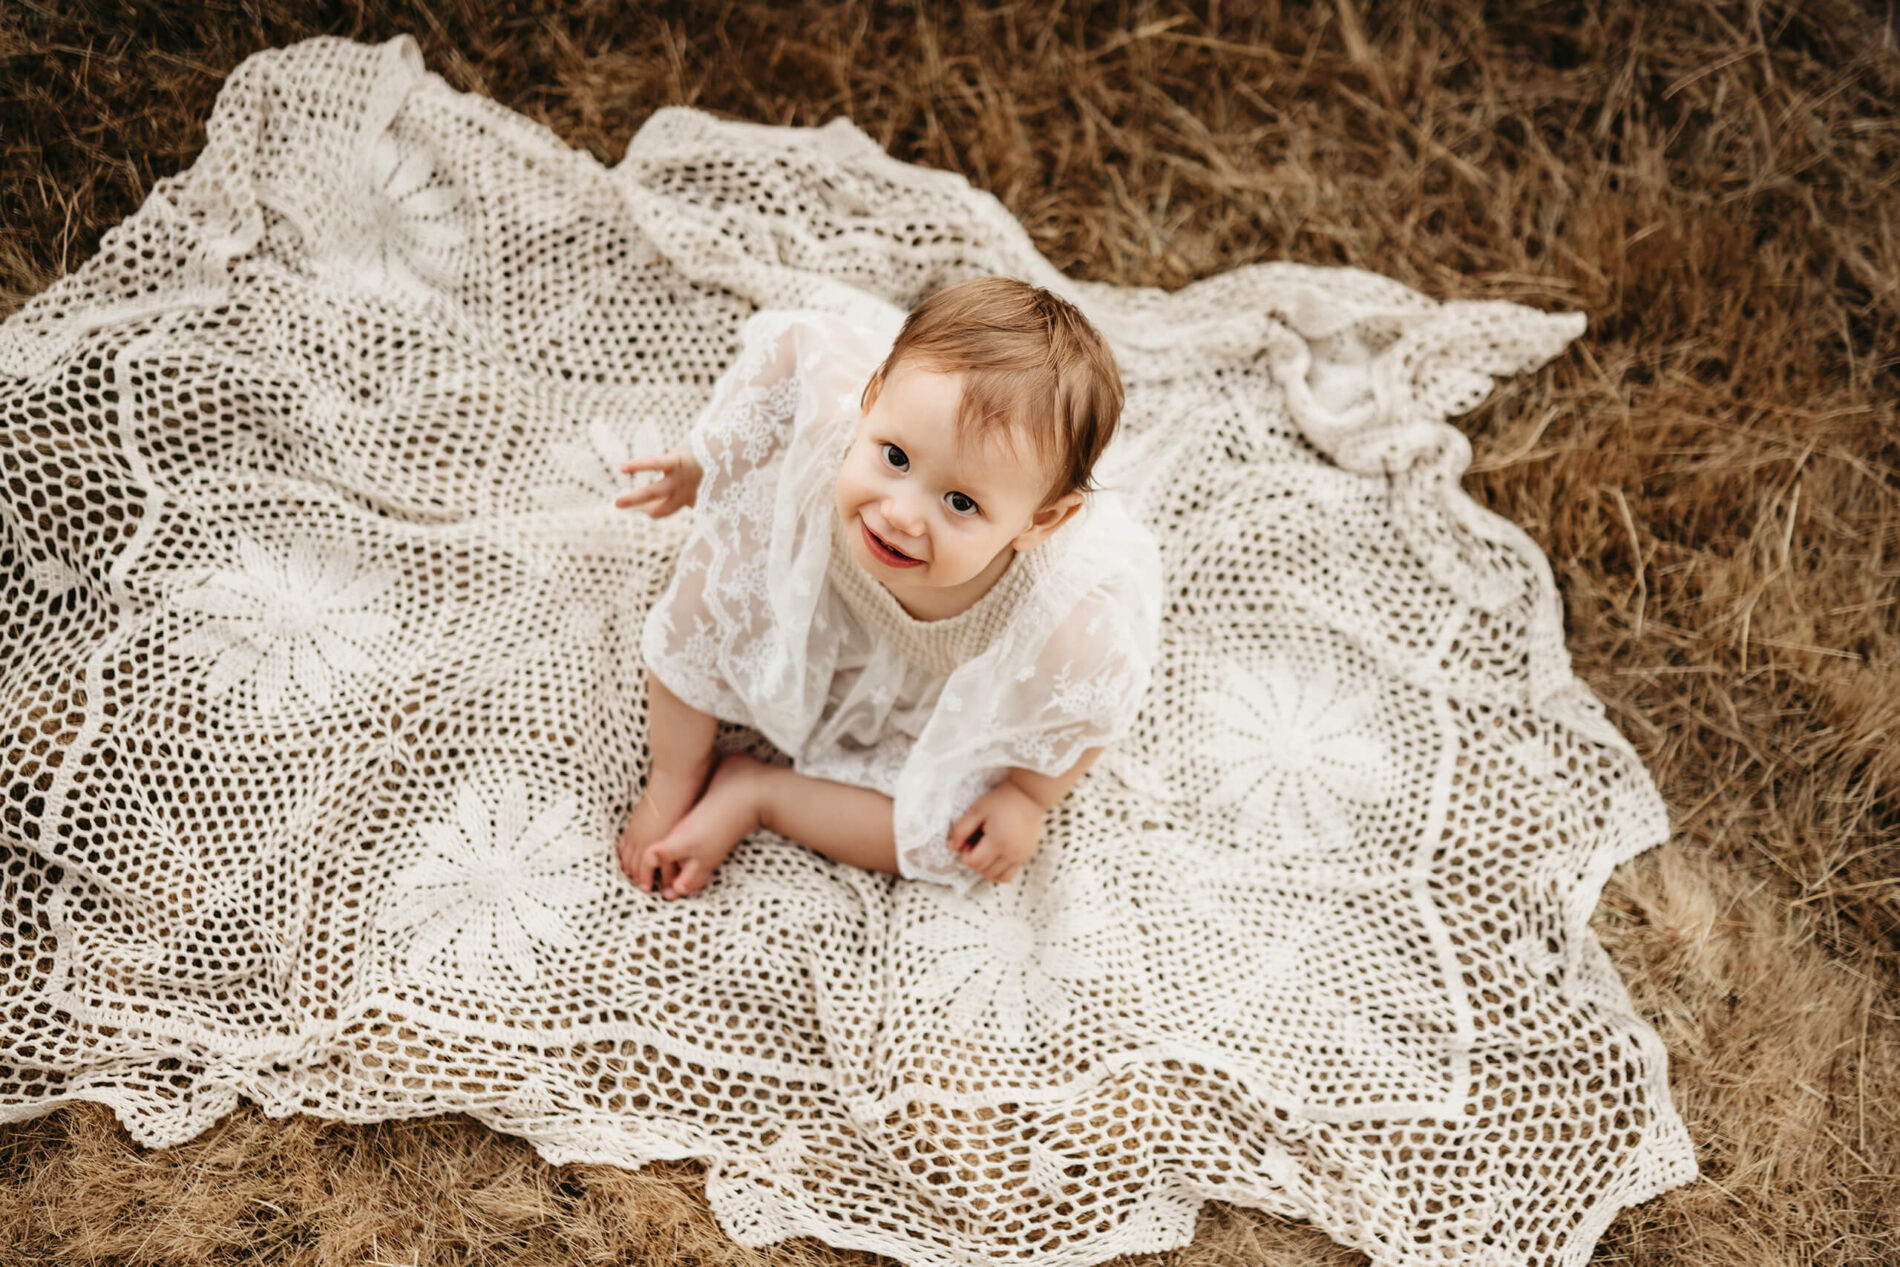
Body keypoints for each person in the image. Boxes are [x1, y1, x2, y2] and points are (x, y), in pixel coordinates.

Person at [611, 277, 1162, 900]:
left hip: (941, 678)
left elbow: (1092, 712)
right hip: (831, 594)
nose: (900, 513)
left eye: (959, 502)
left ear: (1038, 523)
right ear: (870, 402)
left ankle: (756, 796)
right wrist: (707, 459)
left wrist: (1026, 797)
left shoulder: (1065, 619)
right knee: (706, 598)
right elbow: (793, 352)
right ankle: (674, 774)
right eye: (895, 458)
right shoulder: (836, 422)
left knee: (956, 841)